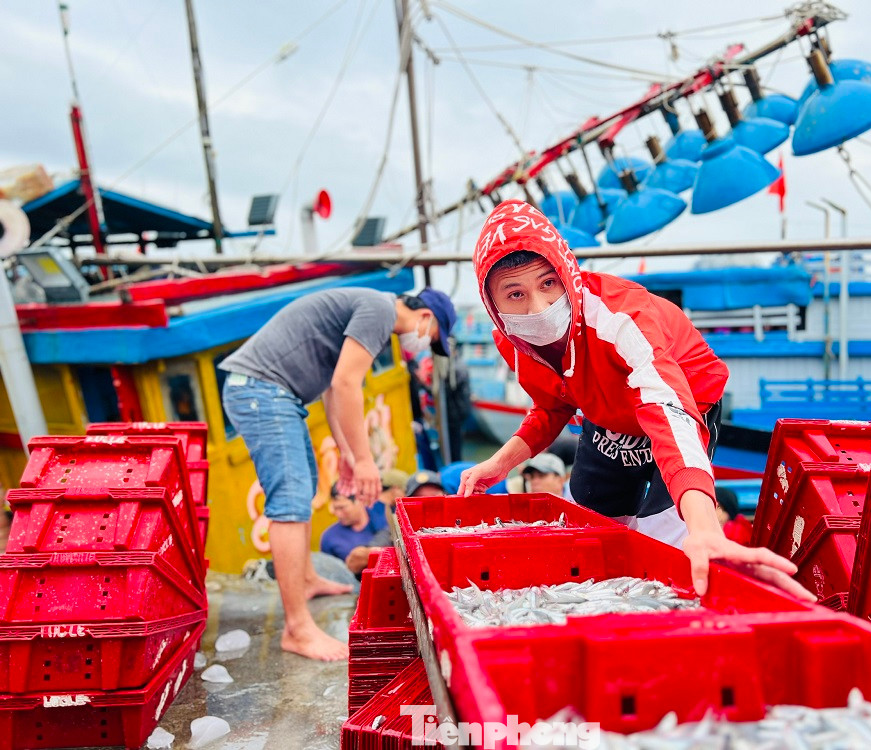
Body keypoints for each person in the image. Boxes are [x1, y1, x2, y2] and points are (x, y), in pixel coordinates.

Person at [458, 200, 812, 602]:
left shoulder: (621, 317)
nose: (538, 308)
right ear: (493, 304)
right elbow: (552, 406)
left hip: (681, 405)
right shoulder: (512, 340)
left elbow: (668, 409)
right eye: (515, 293)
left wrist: (705, 527)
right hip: (607, 422)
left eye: (548, 283)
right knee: (589, 538)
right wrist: (498, 464)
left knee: (664, 544)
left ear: (567, 272)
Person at [220, 286, 456, 660]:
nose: (424, 345)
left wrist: (347, 453)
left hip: (274, 394)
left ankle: (308, 580)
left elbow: (333, 389)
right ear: (426, 317)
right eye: (432, 338)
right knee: (290, 501)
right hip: (262, 391)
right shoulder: (380, 309)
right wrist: (364, 461)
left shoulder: (371, 310)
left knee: (305, 487)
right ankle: (298, 630)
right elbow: (346, 385)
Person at [343, 468, 409, 575]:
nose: (406, 496)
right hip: (367, 558)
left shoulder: (382, 507)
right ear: (395, 488)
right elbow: (385, 535)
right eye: (405, 491)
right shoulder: (378, 509)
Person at [320, 492, 385, 561]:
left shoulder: (383, 516)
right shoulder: (329, 537)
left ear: (360, 500)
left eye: (342, 508)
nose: (338, 514)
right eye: (335, 508)